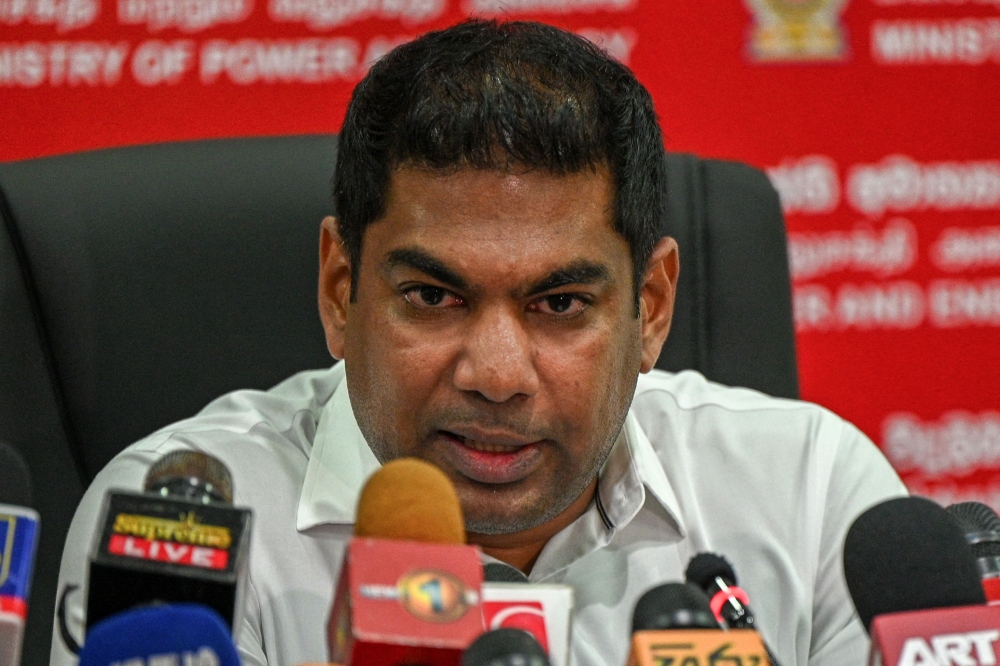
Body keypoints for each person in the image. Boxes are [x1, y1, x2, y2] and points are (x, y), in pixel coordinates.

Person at [52, 19, 906, 666]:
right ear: (341, 291)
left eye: (561, 304)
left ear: (649, 308)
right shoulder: (178, 524)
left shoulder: (811, 498)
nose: (497, 375)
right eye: (433, 296)